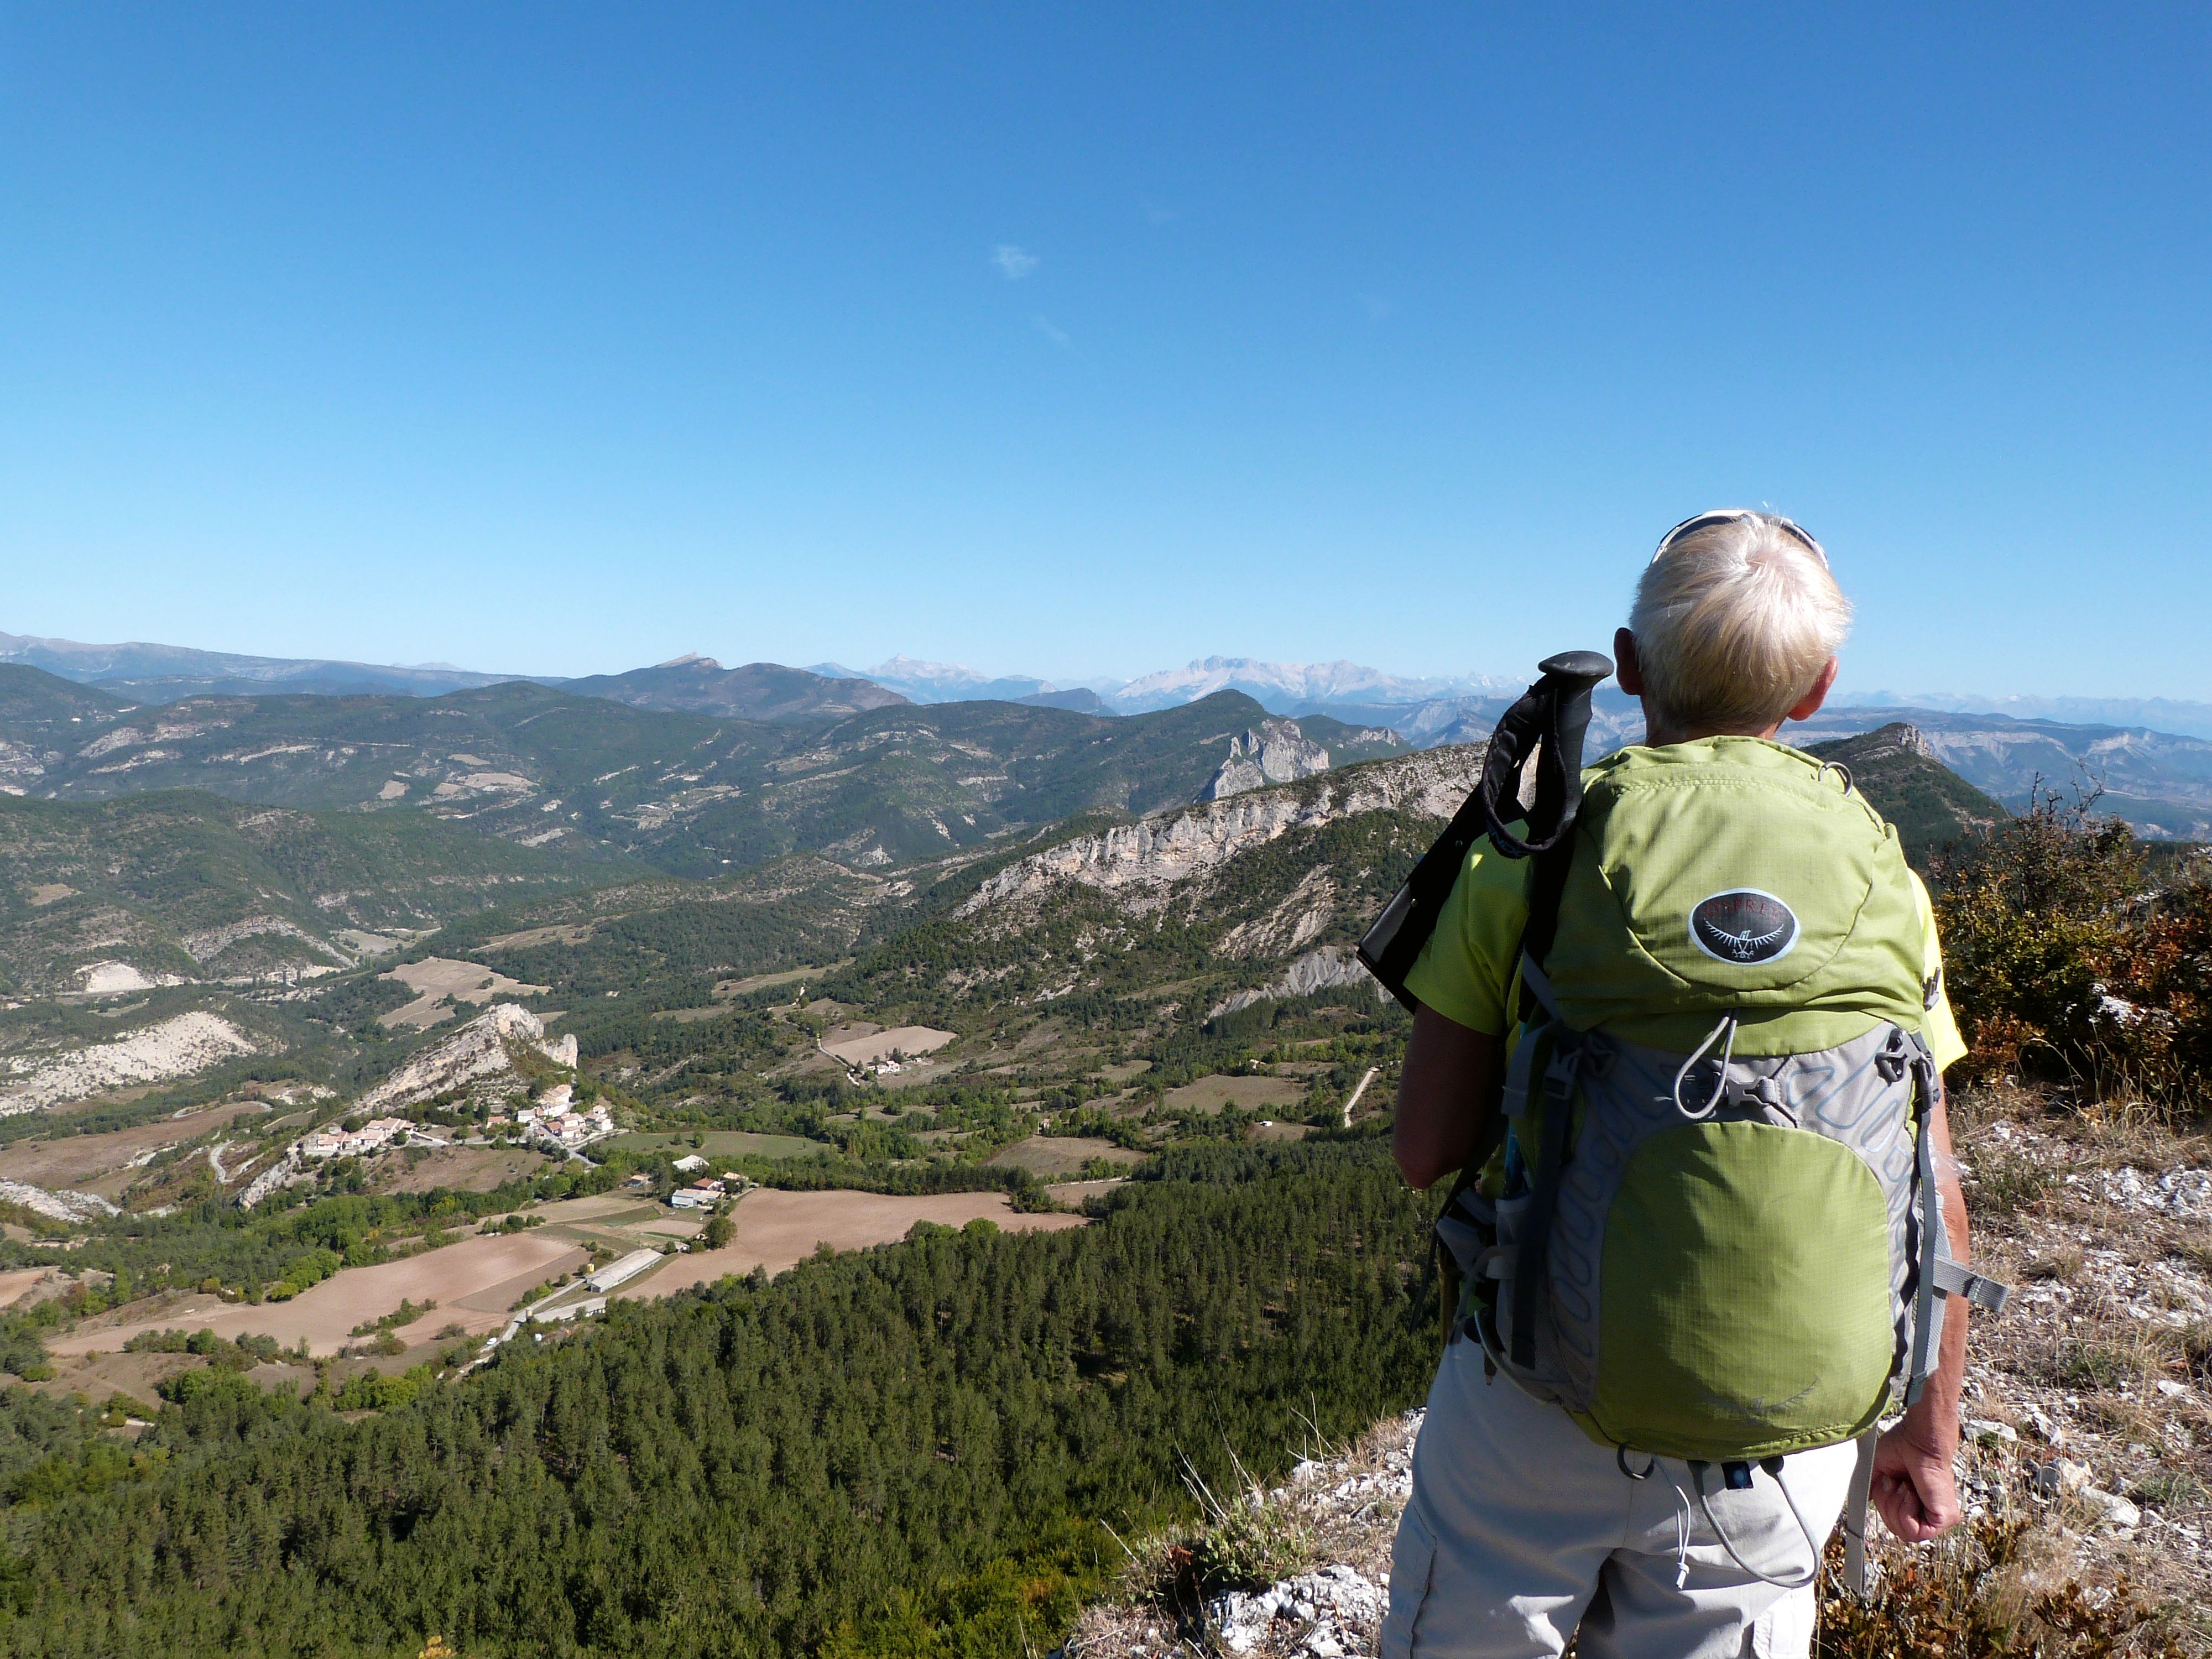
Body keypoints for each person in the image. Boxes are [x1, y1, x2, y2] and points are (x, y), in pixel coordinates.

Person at [1380, 511, 1975, 1659]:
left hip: (1532, 1398)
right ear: (1814, 689)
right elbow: (1932, 1180)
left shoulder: (1537, 853)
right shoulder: (1883, 876)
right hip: (1778, 1430)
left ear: (1628, 664)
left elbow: (1421, 1149)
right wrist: (1927, 1429)